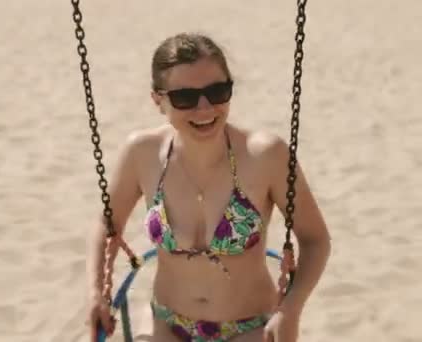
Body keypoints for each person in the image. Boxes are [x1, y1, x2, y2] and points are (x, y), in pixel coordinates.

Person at [86, 32, 331, 342]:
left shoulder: (266, 155)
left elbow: (315, 240)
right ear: (158, 100)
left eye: (217, 91)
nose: (204, 109)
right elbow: (105, 225)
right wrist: (96, 292)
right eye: (185, 98)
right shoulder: (142, 153)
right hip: (167, 323)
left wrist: (291, 310)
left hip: (249, 328)